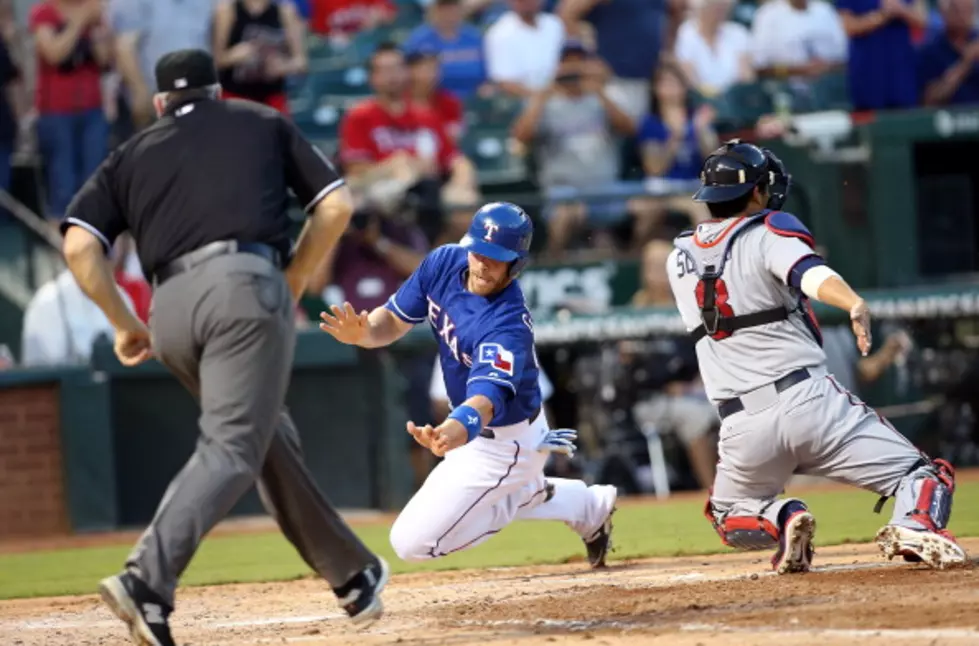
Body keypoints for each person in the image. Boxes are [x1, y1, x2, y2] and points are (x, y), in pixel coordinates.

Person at [60, 49, 389, 646]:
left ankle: (350, 574)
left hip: (169, 310)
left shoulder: (130, 151)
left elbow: (81, 247)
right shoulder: (259, 119)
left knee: (262, 432)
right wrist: (294, 277)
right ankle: (145, 581)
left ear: (159, 104)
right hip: (243, 285)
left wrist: (125, 320)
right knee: (235, 443)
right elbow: (337, 206)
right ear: (216, 90)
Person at [666, 139, 967, 574]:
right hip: (809, 401)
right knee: (924, 477)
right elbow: (809, 273)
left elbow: (723, 260)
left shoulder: (678, 257)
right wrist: (851, 302)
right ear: (754, 192)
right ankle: (915, 522)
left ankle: (784, 518)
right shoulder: (768, 229)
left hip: (741, 425)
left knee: (729, 515)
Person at [319, 202, 618, 565]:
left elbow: (486, 400)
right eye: (478, 251)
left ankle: (519, 493)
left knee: (411, 544)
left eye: (495, 258)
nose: (482, 263)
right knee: (423, 530)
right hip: (479, 437)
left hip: (507, 444)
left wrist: (453, 429)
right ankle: (579, 504)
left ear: (517, 263)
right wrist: (365, 333)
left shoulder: (507, 323)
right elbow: (394, 321)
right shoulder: (444, 262)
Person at [212, 0, 308, 114]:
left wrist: (284, 66)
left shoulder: (285, 12)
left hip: (272, 97)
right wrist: (234, 56)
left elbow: (301, 62)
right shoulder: (227, 11)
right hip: (234, 97)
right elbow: (216, 60)